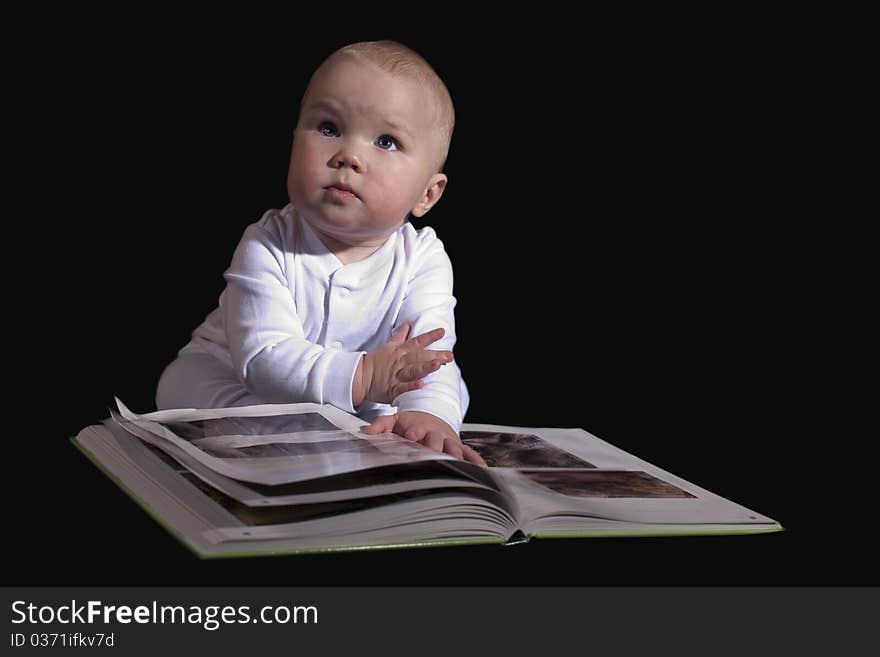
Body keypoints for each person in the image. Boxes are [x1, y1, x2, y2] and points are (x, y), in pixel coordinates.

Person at [156, 40, 485, 466]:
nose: (348, 156)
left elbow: (428, 355)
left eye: (386, 141)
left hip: (374, 389)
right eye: (329, 128)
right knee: (184, 383)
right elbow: (264, 357)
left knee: (443, 385)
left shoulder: (423, 258)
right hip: (245, 378)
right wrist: (364, 374)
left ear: (427, 193)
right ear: (294, 141)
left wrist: (427, 414)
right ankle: (311, 431)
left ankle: (377, 425)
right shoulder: (268, 243)